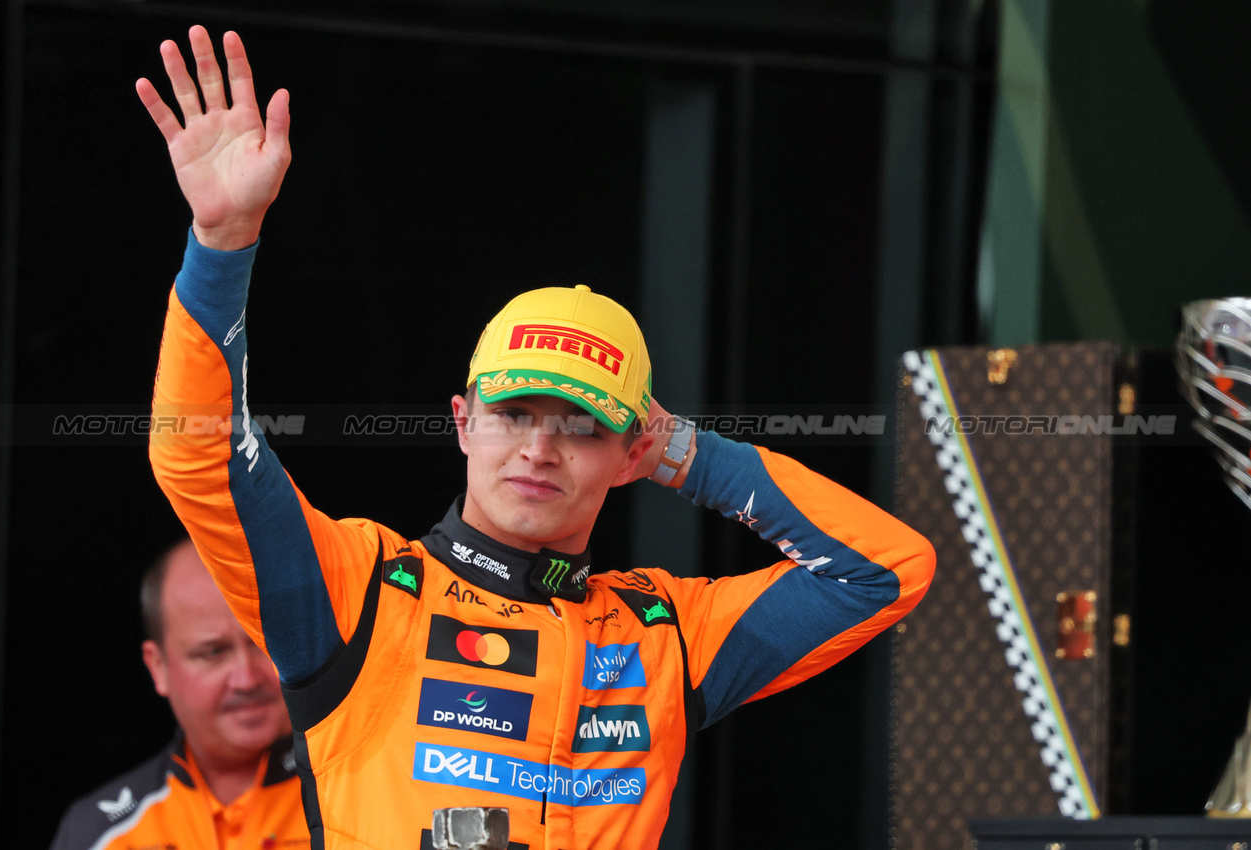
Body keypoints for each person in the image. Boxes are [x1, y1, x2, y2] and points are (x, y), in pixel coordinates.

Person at [140, 26, 936, 850]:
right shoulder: (362, 592)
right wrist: (221, 245)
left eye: (582, 427)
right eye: (514, 415)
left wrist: (694, 457)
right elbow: (197, 454)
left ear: (632, 454)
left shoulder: (663, 635)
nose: (538, 450)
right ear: (463, 423)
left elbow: (884, 571)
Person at [49, 540, 309, 850]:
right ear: (158, 668)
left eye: (263, 642)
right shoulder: (101, 834)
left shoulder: (362, 793)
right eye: (213, 652)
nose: (246, 678)